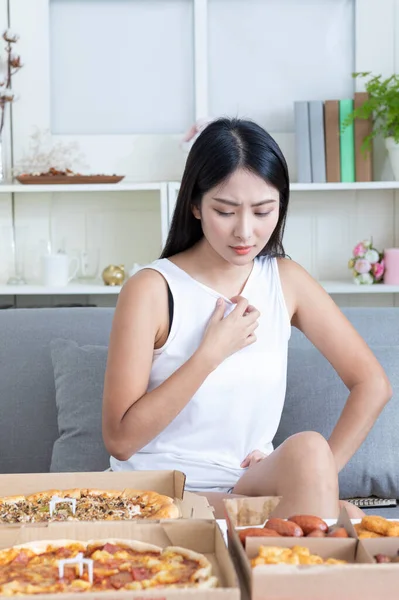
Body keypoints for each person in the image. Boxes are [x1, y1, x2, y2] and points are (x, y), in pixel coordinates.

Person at [102, 117, 391, 519]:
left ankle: (301, 517)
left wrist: (320, 476)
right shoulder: (151, 289)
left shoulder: (285, 279)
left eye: (262, 211)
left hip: (246, 483)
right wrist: (210, 353)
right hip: (159, 490)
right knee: (342, 522)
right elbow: (120, 440)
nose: (245, 232)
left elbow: (372, 384)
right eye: (225, 211)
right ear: (195, 205)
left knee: (309, 451)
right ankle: (301, 526)